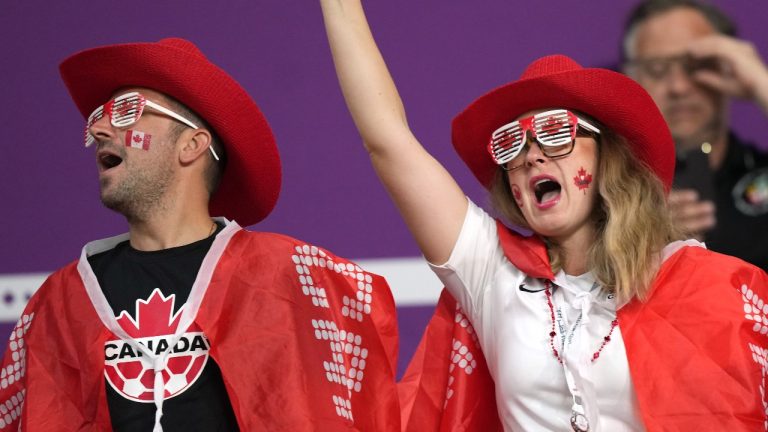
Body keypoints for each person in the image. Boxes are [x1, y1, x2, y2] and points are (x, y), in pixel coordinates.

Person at [320, 0, 768, 430]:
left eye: (555, 133)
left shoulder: (687, 278)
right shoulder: (489, 273)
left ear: (605, 157)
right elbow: (386, 139)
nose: (532, 155)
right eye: (512, 144)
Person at [0, 38, 400, 431]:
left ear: (192, 144)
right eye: (98, 118)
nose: (101, 129)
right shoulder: (60, 299)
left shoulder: (289, 274)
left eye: (126, 111)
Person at [622, 0, 768, 272]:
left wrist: (760, 81)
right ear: (631, 78)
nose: (678, 86)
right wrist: (636, 235)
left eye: (693, 66)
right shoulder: (611, 200)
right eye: (656, 68)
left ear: (729, 67)